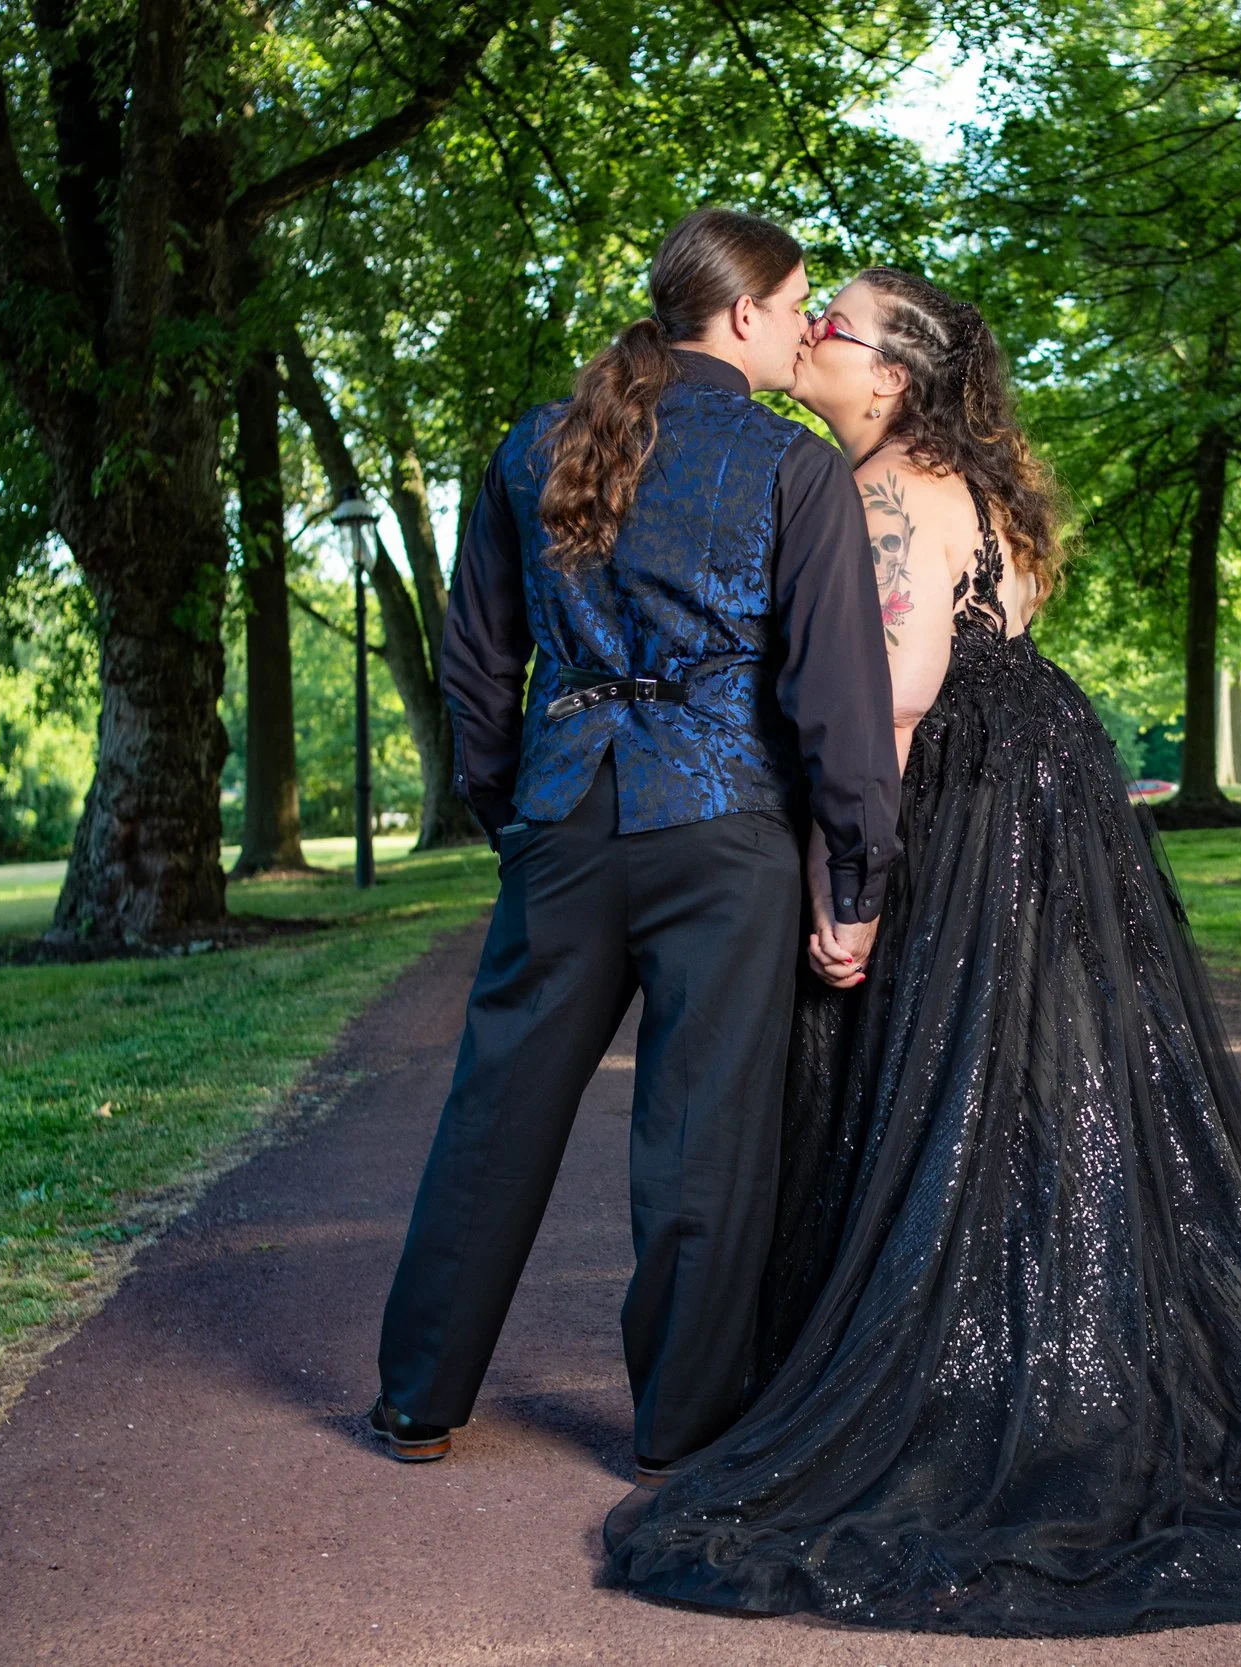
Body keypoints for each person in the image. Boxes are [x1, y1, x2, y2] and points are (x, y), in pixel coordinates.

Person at [600, 268, 1241, 1636]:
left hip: (965, 797)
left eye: (836, 325)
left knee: (946, 1086)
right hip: (1047, 791)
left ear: (894, 375)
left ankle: (985, 1380)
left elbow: (896, 697)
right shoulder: (980, 483)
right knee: (1031, 1086)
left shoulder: (884, 489)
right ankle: (1062, 1349)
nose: (815, 337)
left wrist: (845, 881)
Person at [367, 211, 903, 1544]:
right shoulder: (793, 468)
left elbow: (477, 675)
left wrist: (518, 811)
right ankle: (677, 1430)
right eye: (793, 311)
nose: (804, 333)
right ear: (738, 316)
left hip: (566, 815)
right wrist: (861, 870)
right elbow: (835, 703)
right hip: (724, 830)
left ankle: (418, 1399)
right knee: (702, 1131)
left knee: (495, 1111)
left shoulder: (532, 445)